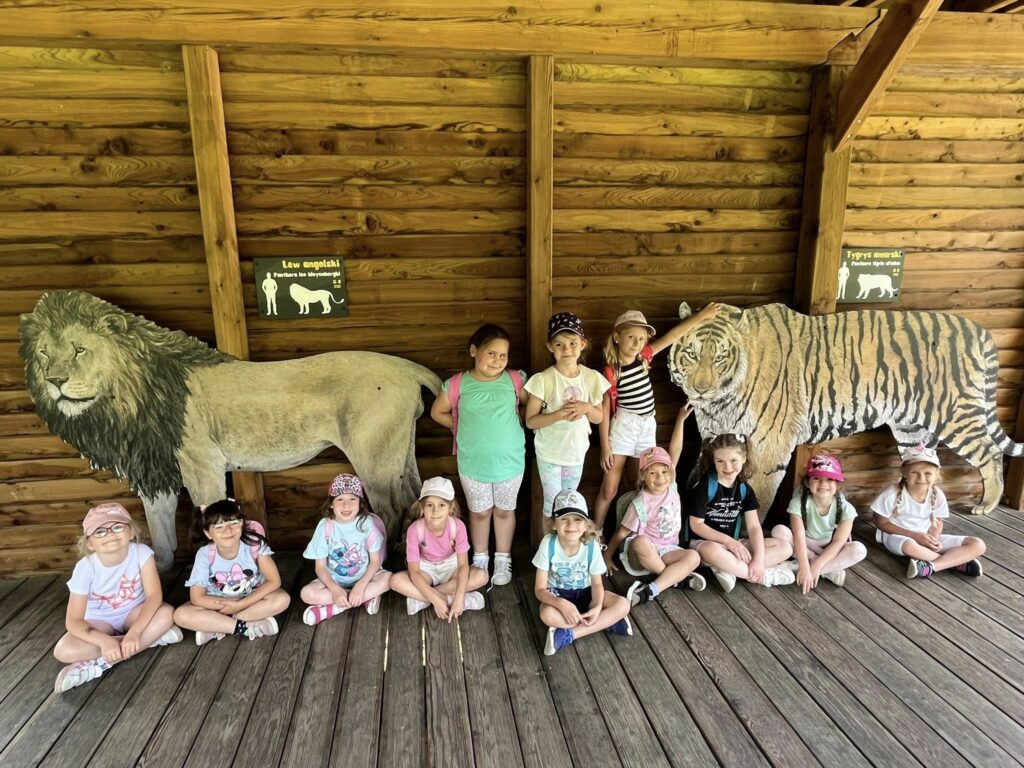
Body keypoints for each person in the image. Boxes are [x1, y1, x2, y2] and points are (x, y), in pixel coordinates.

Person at [593, 304, 721, 527]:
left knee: (639, 482)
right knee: (609, 488)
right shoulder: (611, 371)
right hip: (624, 427)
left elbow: (672, 336)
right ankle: (597, 529)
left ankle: (636, 528)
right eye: (631, 337)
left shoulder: (644, 357)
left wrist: (701, 316)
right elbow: (604, 409)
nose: (637, 343)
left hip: (646, 426)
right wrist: (605, 447)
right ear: (617, 337)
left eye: (641, 339)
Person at [431, 324, 527, 587]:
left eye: (503, 355)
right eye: (491, 353)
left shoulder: (514, 380)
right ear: (474, 351)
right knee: (479, 512)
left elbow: (531, 406)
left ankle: (503, 558)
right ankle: (481, 558)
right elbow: (437, 412)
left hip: (510, 462)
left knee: (505, 511)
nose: (497, 360)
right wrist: (460, 427)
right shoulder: (458, 384)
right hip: (473, 463)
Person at [53, 502, 182, 692]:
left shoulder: (141, 553)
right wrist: (105, 642)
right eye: (100, 531)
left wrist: (135, 633)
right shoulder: (85, 568)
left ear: (131, 532)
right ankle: (150, 639)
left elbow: (154, 597)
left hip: (133, 615)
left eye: (118, 527)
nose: (110, 534)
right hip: (99, 622)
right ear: (90, 543)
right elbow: (73, 621)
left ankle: (100, 663)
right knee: (64, 650)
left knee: (167, 613)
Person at [524, 312, 610, 518]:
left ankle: (565, 539)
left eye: (573, 343)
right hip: (550, 453)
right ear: (550, 347)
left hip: (576, 453)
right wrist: (559, 414)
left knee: (569, 502)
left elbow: (598, 417)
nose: (567, 350)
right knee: (552, 503)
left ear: (582, 344)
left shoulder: (591, 378)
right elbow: (531, 421)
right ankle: (548, 538)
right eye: (559, 344)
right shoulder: (543, 379)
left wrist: (586, 408)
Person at [684, 434, 795, 592]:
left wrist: (758, 559)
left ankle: (731, 569)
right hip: (706, 544)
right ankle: (764, 576)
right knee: (711, 550)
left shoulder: (744, 490)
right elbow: (696, 525)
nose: (727, 467)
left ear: (744, 458)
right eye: (720, 461)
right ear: (713, 460)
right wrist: (729, 542)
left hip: (735, 544)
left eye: (733, 460)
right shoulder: (704, 487)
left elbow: (754, 527)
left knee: (785, 548)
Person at [604, 436, 707, 606]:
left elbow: (676, 449)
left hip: (667, 551)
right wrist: (607, 556)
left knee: (694, 556)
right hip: (642, 556)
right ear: (643, 476)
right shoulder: (640, 503)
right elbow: (622, 533)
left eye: (664, 472)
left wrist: (680, 422)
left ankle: (651, 589)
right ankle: (677, 579)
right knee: (640, 542)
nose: (660, 477)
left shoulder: (672, 487)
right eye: (652, 473)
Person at [173, 499, 290, 645]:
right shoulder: (205, 554)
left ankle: (216, 625)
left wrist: (241, 604)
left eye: (234, 523)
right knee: (180, 615)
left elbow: (274, 581)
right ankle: (243, 627)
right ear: (208, 533)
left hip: (251, 597)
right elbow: (197, 598)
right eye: (219, 527)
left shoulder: (254, 544)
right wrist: (231, 604)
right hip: (218, 601)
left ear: (242, 524)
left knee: (282, 599)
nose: (228, 531)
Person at [534, 490, 632, 655]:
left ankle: (570, 634)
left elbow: (597, 583)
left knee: (623, 604)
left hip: (587, 592)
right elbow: (540, 590)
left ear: (587, 524)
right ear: (554, 524)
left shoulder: (591, 544)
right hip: (558, 594)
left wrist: (597, 605)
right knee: (546, 614)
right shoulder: (548, 543)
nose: (571, 525)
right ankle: (604, 622)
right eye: (564, 519)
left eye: (578, 519)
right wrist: (561, 604)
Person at [871, 443, 986, 579]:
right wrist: (915, 536)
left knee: (978, 545)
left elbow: (937, 522)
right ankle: (956, 562)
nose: (921, 478)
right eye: (914, 472)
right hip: (897, 537)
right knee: (909, 546)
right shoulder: (891, 494)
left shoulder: (937, 495)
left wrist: (934, 540)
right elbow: (880, 522)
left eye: (928, 473)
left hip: (925, 536)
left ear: (936, 474)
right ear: (904, 472)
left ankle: (931, 567)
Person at [389, 477, 489, 619]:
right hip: (426, 569)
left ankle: (423, 599)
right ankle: (449, 599)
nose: (435, 511)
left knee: (482, 576)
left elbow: (462, 565)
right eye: (429, 505)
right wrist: (437, 601)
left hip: (451, 566)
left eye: (442, 505)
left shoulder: (457, 526)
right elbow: (414, 572)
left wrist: (459, 597)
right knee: (395, 581)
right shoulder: (414, 530)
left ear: (451, 507)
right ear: (422, 508)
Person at [299, 473, 391, 625]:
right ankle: (363, 599)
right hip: (334, 579)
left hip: (365, 577)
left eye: (352, 499)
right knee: (306, 593)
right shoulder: (325, 526)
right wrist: (335, 590)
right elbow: (320, 568)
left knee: (389, 579)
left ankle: (334, 607)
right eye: (340, 499)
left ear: (360, 503)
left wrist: (360, 586)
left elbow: (375, 561)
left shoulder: (366, 523)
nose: (346, 505)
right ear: (331, 504)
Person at [774, 454, 866, 593]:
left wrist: (816, 566)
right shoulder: (798, 503)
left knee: (859, 549)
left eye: (830, 479)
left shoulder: (846, 509)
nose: (823, 484)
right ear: (807, 482)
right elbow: (798, 535)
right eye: (816, 478)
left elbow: (838, 542)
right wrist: (805, 565)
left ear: (838, 484)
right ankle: (829, 571)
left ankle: (802, 569)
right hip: (806, 544)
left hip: (829, 547)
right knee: (779, 531)